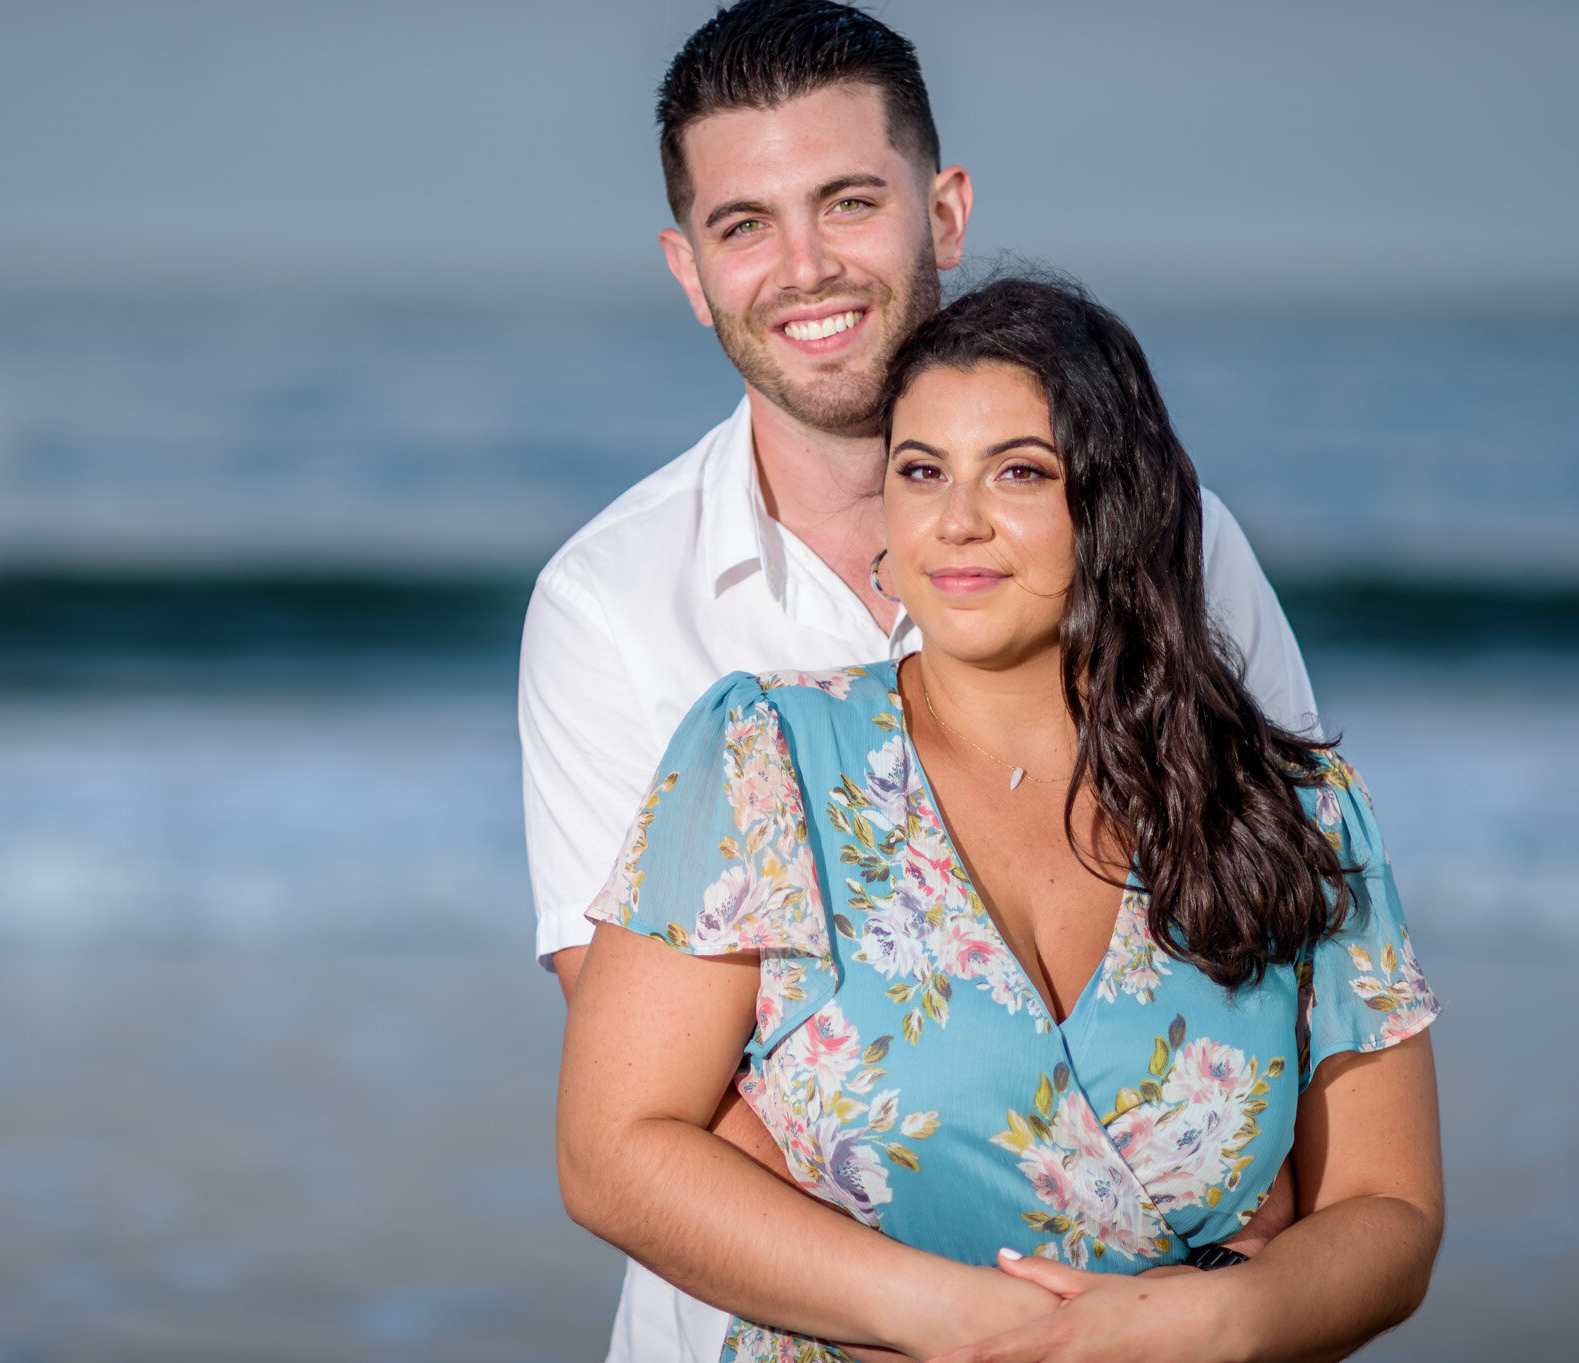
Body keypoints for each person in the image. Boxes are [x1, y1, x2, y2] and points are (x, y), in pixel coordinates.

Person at [518, 0, 1316, 1362]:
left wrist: (1244, 1241)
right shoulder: (609, 607)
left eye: (846, 201)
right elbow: (664, 1094)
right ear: (686, 267)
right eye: (742, 225)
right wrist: (1024, 1306)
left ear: (942, 212)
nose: (803, 268)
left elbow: (1278, 918)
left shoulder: (1169, 539)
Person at [555, 276, 1443, 1362]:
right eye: (918, 471)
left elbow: (1388, 1211)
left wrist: (1223, 1319)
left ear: (1116, 503)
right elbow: (614, 1149)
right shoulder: (761, 758)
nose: (956, 519)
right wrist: (948, 1319)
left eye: (1018, 470)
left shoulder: (1290, 805)